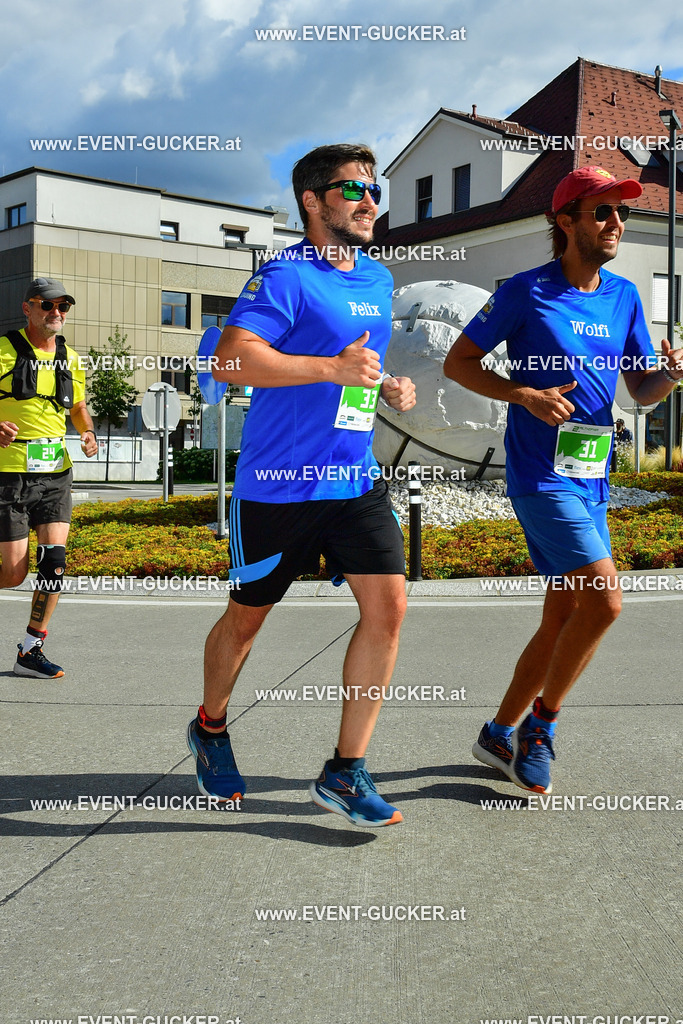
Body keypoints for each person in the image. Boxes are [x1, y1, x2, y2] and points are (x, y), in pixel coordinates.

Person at [186, 143, 416, 827]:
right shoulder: (283, 275)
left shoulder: (377, 278)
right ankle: (211, 725)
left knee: (389, 611)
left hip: (354, 480)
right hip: (278, 487)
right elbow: (232, 360)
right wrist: (330, 370)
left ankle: (345, 771)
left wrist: (384, 385)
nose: (369, 201)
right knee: (247, 619)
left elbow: (356, 365)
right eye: (353, 190)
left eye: (375, 190)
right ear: (313, 203)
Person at [444, 166, 683, 794]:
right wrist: (522, 393)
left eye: (620, 213)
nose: (615, 224)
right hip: (541, 478)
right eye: (601, 212)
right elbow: (458, 362)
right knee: (604, 601)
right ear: (566, 221)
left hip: (592, 476)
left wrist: (673, 376)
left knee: (561, 618)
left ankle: (498, 731)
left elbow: (641, 390)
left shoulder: (625, 296)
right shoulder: (526, 293)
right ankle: (540, 727)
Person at [0, 278, 98, 678]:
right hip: (8, 474)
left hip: (55, 472)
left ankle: (31, 649)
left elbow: (77, 406)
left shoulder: (71, 358)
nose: (55, 313)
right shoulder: (4, 350)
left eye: (63, 307)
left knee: (53, 563)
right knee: (13, 572)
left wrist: (88, 431)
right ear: (28, 308)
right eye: (47, 305)